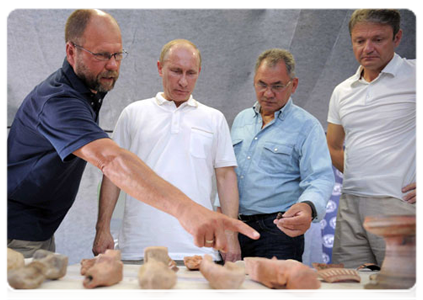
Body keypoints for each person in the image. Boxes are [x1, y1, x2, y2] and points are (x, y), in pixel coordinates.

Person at [5, 9, 259, 258]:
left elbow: (225, 175)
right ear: (72, 51)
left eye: (117, 54)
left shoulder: (88, 91)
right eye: (102, 55)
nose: (113, 65)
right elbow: (112, 162)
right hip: (13, 230)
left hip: (36, 231)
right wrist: (187, 210)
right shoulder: (59, 101)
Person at [92, 39, 241, 262]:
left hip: (199, 250)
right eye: (176, 71)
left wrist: (231, 235)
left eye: (191, 73)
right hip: (138, 247)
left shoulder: (214, 119)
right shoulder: (133, 114)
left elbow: (226, 178)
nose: (183, 81)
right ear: (160, 67)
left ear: (199, 72)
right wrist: (102, 228)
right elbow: (112, 174)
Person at [326, 8, 420, 268]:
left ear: (397, 38)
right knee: (348, 287)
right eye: (360, 41)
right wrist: (359, 174)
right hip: (350, 205)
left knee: (402, 290)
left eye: (378, 39)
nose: (367, 48)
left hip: (399, 205)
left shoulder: (417, 75)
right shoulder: (342, 91)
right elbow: (333, 145)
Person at [231, 48, 335, 261]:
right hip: (235, 227)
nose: (268, 93)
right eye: (262, 84)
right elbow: (227, 172)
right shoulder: (241, 120)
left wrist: (308, 206)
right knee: (231, 291)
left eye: (277, 86)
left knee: (275, 293)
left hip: (278, 230)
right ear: (254, 82)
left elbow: (320, 178)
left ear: (293, 85)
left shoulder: (307, 126)